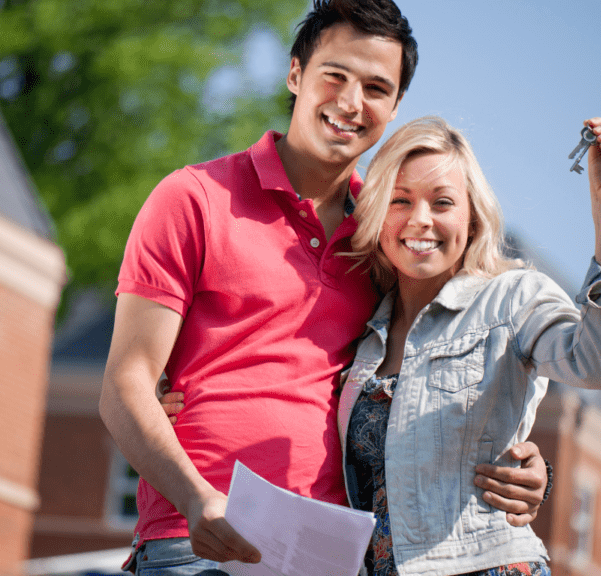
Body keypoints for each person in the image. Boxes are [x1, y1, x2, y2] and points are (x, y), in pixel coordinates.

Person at [99, 2, 548, 574]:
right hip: (196, 541)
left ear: (394, 106)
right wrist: (195, 499)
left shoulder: (389, 236)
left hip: (331, 555)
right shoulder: (194, 199)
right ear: (295, 75)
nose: (351, 102)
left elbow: (461, 370)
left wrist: (526, 464)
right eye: (333, 75)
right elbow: (123, 384)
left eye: (376, 87)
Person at [338, 115, 601, 576]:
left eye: (442, 202)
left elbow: (598, 364)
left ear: (472, 217)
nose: (421, 219)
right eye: (400, 200)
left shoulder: (513, 298)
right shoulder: (364, 338)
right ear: (378, 214)